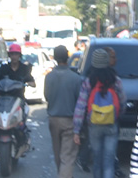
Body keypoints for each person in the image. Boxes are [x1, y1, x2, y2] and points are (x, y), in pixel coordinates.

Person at [74, 49, 127, 178]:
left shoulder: (88, 81)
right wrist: (118, 115)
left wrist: (76, 130)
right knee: (108, 161)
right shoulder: (115, 80)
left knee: (97, 160)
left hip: (94, 124)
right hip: (111, 123)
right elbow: (123, 101)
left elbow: (81, 106)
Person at [0, 44, 34, 171]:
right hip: (1, 102)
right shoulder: (3, 69)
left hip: (18, 101)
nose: (14, 56)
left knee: (21, 124)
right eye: (12, 54)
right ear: (9, 55)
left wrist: (27, 83)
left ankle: (23, 141)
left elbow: (32, 82)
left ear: (19, 55)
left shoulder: (24, 69)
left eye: (16, 54)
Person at [45, 45, 84, 178]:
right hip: (69, 120)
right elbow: (80, 102)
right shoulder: (75, 78)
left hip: (53, 119)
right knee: (67, 157)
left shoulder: (49, 77)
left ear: (55, 58)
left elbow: (47, 97)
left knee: (58, 155)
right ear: (67, 58)